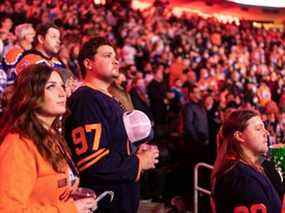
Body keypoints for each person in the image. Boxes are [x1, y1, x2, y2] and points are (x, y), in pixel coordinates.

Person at [65, 37, 159, 213]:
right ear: (88, 63)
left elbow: (114, 146)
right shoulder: (87, 99)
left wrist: (135, 151)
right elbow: (93, 163)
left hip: (121, 198)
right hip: (106, 202)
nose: (116, 60)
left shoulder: (106, 97)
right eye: (107, 55)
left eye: (115, 56)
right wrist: (138, 162)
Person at [0, 64, 97, 213]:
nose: (62, 93)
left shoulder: (51, 135)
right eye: (51, 87)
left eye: (62, 86)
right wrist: (69, 209)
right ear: (31, 95)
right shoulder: (18, 144)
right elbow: (7, 209)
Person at [212, 109, 281, 213]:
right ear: (239, 136)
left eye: (264, 128)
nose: (266, 132)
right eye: (258, 129)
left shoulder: (248, 170)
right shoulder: (241, 178)